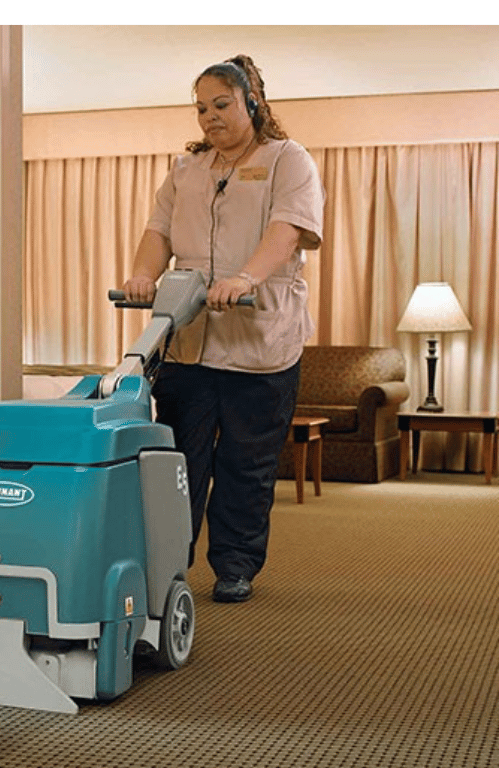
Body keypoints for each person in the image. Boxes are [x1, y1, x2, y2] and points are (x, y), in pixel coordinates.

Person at [124, 55, 324, 603]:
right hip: (188, 342)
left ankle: (235, 565)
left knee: (246, 462)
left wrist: (244, 277)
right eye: (201, 108)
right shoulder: (186, 170)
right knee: (178, 461)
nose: (209, 117)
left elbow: (287, 231)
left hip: (259, 343)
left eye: (221, 104)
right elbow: (158, 229)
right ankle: (168, 562)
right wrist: (144, 274)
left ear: (252, 102)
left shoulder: (288, 160)